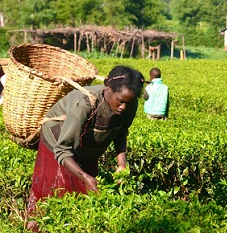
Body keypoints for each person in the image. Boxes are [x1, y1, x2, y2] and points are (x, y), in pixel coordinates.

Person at [27, 65, 144, 223]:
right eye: (121, 101)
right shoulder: (84, 103)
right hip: (58, 142)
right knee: (57, 191)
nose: (124, 107)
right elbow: (62, 149)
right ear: (108, 89)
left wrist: (122, 165)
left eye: (128, 103)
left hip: (86, 146)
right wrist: (84, 176)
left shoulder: (130, 104)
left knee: (86, 194)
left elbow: (121, 132)